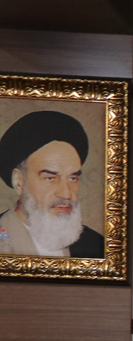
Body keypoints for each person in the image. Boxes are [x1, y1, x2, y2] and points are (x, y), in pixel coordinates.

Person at [0, 110, 104, 257]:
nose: (66, 193)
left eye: (73, 178)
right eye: (50, 178)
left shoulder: (96, 246)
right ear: (19, 181)